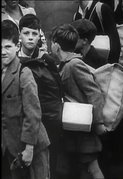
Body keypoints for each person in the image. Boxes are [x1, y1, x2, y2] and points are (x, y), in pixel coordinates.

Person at [50, 23, 106, 179]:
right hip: (74, 128)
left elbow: (94, 93)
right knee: (83, 169)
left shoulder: (74, 64)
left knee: (93, 168)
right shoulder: (65, 65)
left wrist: (98, 122)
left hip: (84, 127)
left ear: (56, 45)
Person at [2, 19, 50, 179]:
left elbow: (33, 113)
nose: (3, 51)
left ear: (17, 46)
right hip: (9, 147)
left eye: (8, 46)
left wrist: (29, 149)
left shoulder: (24, 72)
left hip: (30, 148)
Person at [18, 14, 64, 179]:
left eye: (34, 34)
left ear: (40, 35)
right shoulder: (14, 60)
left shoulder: (47, 60)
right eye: (26, 33)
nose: (30, 38)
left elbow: (59, 90)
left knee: (46, 167)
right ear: (19, 35)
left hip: (49, 120)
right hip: (22, 121)